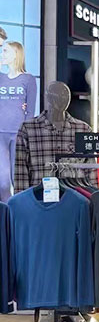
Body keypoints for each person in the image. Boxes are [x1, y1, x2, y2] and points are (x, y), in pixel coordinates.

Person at [0, 39, 38, 201]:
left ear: (16, 54)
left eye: (5, 51)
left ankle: (19, 209)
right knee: (3, 181)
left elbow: (30, 110)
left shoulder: (28, 79)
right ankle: (6, 210)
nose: (2, 54)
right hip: (0, 134)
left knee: (18, 178)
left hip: (18, 134)